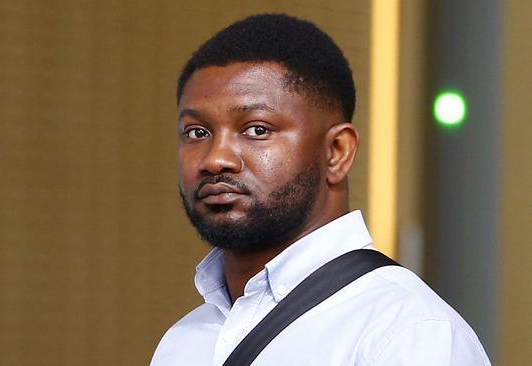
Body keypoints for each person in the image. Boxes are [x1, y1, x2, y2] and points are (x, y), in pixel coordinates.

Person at [151, 13, 491, 366]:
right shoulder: (183, 343)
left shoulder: (407, 335)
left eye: (256, 130)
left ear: (336, 152)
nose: (216, 158)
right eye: (196, 132)